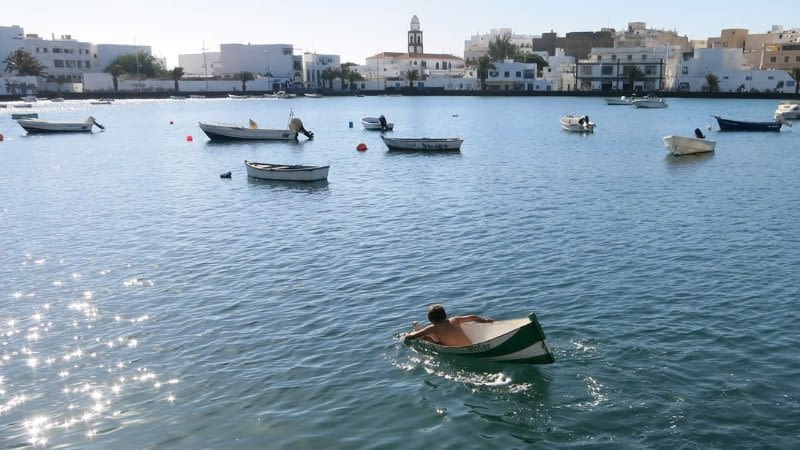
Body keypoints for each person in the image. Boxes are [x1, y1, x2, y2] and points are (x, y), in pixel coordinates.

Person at [403, 304, 493, 347]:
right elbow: (473, 317)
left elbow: (412, 337)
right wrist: (484, 320)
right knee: (431, 335)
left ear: (431, 320)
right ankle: (430, 338)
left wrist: (407, 335)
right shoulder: (455, 319)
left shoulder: (432, 328)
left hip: (452, 348)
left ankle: (429, 338)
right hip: (469, 344)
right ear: (445, 315)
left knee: (426, 337)